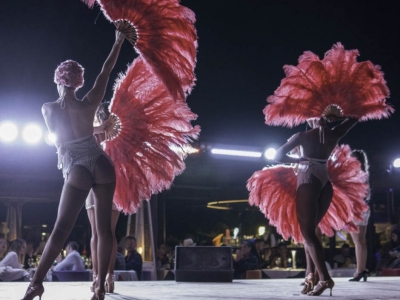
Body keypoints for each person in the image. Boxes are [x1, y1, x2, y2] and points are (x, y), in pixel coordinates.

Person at [21, 29, 126, 300]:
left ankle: (36, 283)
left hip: (77, 167)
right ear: (79, 83)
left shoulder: (48, 109)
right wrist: (118, 40)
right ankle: (100, 288)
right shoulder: (89, 103)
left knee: (60, 229)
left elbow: (60, 142)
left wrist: (93, 129)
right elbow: (106, 70)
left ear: (58, 81)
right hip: (102, 163)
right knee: (104, 231)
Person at [274, 115, 357, 296]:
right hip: (325, 183)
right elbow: (355, 116)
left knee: (308, 234)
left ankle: (325, 279)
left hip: (308, 179)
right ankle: (310, 275)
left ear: (310, 117)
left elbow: (277, 156)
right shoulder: (335, 132)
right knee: (310, 233)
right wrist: (340, 115)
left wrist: (299, 160)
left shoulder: (302, 136)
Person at [86, 101, 121, 293]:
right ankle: (109, 277)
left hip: (95, 177)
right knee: (110, 232)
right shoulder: (119, 129)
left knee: (97, 233)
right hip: (116, 180)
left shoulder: (92, 128)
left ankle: (97, 277)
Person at [347, 149, 370, 281]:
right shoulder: (364, 174)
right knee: (361, 241)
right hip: (364, 208)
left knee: (358, 241)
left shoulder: (355, 174)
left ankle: (360, 271)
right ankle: (362, 269)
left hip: (357, 208)